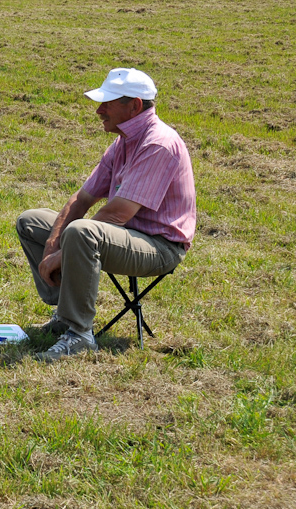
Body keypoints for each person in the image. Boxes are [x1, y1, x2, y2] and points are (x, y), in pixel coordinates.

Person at [15, 68, 195, 363]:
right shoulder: (123, 141)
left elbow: (117, 214)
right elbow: (82, 198)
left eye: (107, 103)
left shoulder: (158, 144)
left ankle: (79, 334)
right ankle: (64, 315)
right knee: (32, 222)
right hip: (124, 237)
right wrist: (52, 243)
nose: (99, 110)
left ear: (134, 105)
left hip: (159, 247)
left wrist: (60, 254)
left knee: (81, 232)